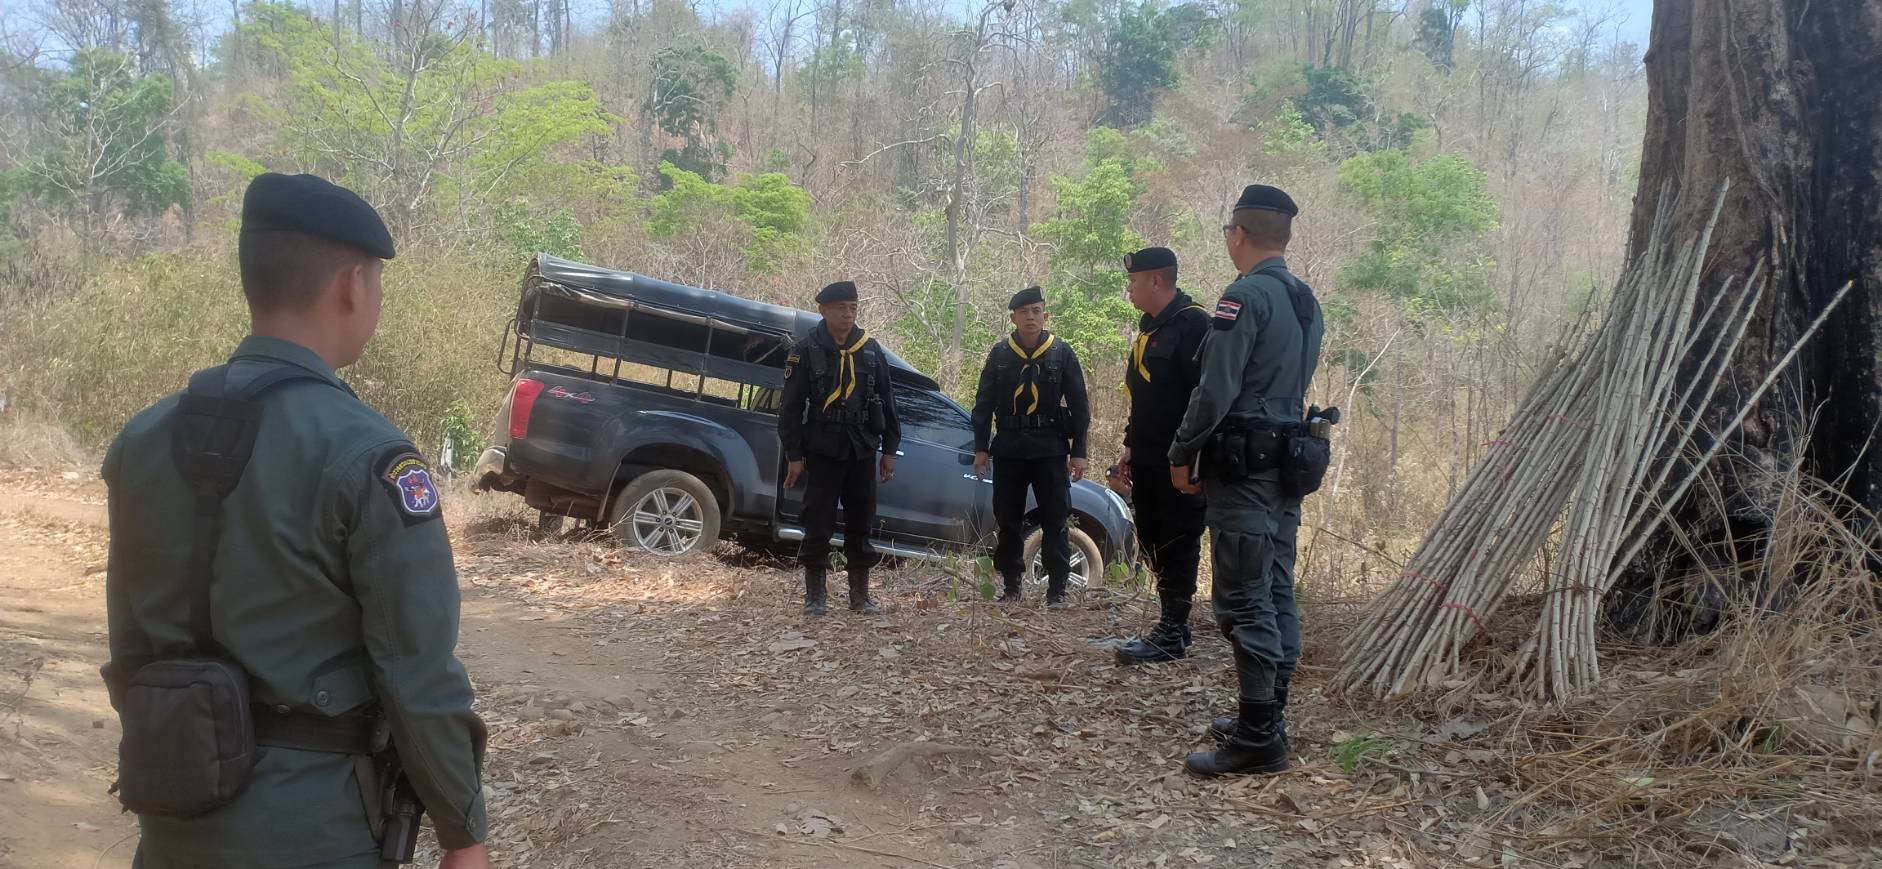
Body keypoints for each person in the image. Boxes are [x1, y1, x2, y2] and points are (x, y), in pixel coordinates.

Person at [100, 173, 491, 867]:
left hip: (170, 831)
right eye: (377, 281)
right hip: (318, 835)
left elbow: (130, 652)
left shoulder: (142, 441)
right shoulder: (371, 455)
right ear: (352, 284)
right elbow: (418, 677)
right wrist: (464, 834)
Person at [1168, 184, 1324, 776]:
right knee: (1276, 586)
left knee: (1244, 597)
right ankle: (1269, 715)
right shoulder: (1304, 300)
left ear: (1239, 234)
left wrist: (1182, 450)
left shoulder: (1244, 296)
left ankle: (1259, 738)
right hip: (1288, 464)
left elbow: (1215, 391)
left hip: (1245, 471)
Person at [1111, 247, 1211, 666]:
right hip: (1148, 455)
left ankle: (1172, 630)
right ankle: (1173, 623)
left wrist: (1189, 455)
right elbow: (1144, 397)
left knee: (1178, 539)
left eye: (1134, 282)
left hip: (1180, 461)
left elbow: (1206, 398)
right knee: (1152, 537)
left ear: (1156, 281)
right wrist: (1130, 446)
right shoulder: (1149, 330)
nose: (1129, 290)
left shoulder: (1195, 325)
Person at [778, 280, 901, 616]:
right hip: (822, 447)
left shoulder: (871, 350)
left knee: (861, 522)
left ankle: (860, 597)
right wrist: (794, 455)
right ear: (823, 310)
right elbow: (790, 408)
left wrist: (890, 450)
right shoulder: (805, 350)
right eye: (841, 308)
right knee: (818, 521)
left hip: (862, 448)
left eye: (853, 308)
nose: (848, 314)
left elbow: (889, 402)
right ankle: (815, 596)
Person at [971, 286, 1092, 607]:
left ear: (1045, 316)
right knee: (1008, 520)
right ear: (1013, 318)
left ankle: (1057, 590)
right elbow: (983, 404)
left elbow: (1079, 405)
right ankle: (1012, 586)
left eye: (1036, 311)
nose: (1030, 317)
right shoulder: (1000, 354)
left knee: (1056, 519)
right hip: (1009, 448)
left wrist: (1079, 451)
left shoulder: (1061, 353)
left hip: (1049, 448)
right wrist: (981, 448)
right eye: (1024, 312)